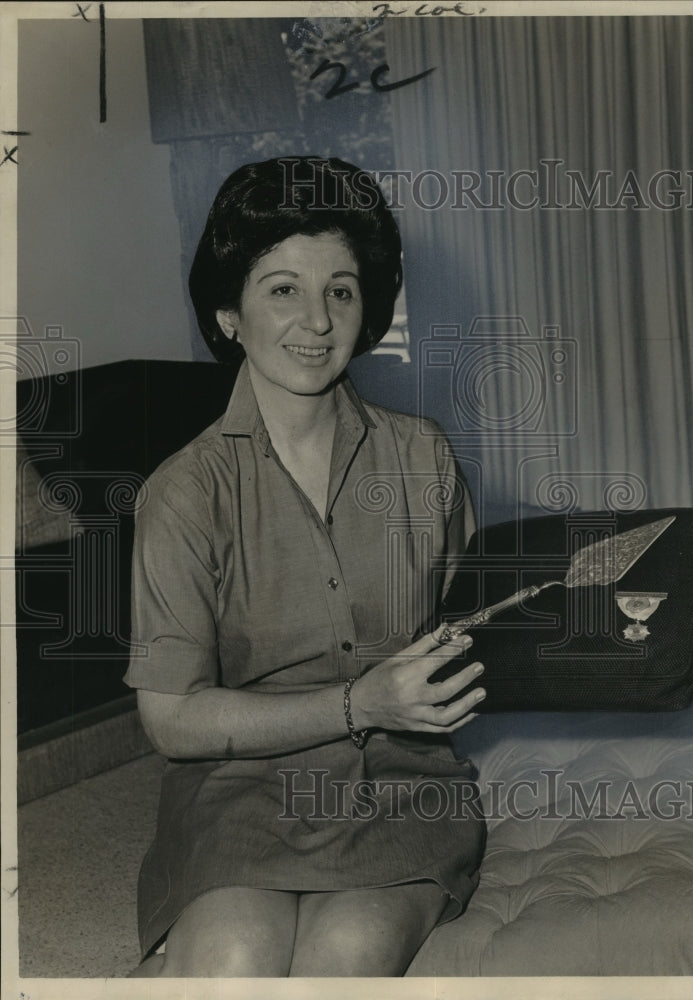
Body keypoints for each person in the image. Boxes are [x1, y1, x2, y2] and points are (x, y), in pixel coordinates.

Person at [124, 156, 486, 978]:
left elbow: (470, 630)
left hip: (402, 779)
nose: (316, 321)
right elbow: (172, 720)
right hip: (236, 787)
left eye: (342, 290)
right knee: (229, 965)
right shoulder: (183, 492)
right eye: (282, 288)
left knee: (343, 960)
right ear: (228, 312)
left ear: (368, 310)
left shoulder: (422, 457)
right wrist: (360, 700)